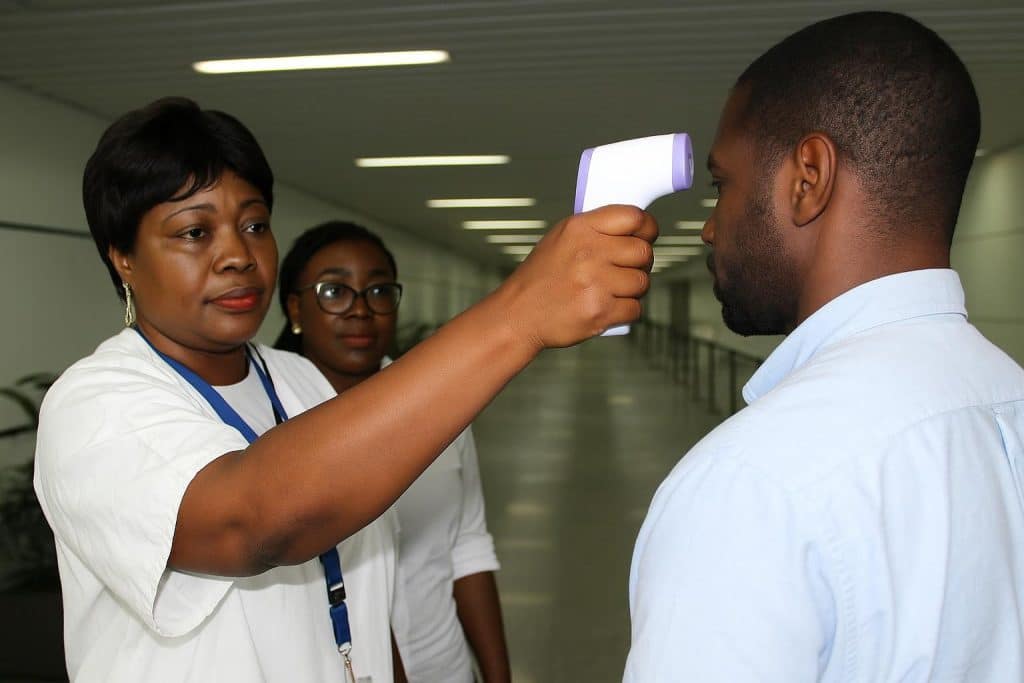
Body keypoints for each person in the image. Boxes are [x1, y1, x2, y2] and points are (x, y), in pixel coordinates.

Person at [31, 97, 657, 683]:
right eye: (195, 232)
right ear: (123, 258)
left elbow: (361, 592)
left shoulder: (299, 379)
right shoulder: (94, 404)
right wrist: (517, 317)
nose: (237, 255)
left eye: (254, 225)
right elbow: (250, 523)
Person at [625, 11, 1024, 682]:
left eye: (723, 185)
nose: (710, 229)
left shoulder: (752, 487)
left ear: (807, 177)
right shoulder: (1008, 400)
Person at [275, 221, 510, 683]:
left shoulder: (440, 404)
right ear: (295, 307)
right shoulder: (274, 424)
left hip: (447, 668)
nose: (361, 309)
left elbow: (468, 547)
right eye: (334, 291)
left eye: (379, 291)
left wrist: (498, 676)